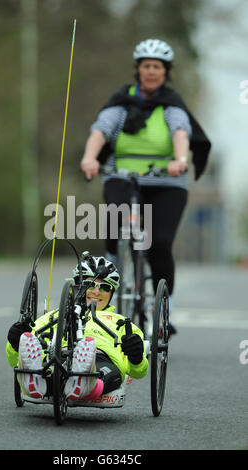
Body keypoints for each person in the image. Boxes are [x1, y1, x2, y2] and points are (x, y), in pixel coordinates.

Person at [80, 39, 211, 336]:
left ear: (166, 72)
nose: (151, 71)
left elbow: (180, 132)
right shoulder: (121, 102)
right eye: (146, 66)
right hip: (122, 174)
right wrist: (89, 157)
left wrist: (180, 159)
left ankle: (163, 310)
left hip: (166, 180)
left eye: (157, 67)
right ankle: (109, 281)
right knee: (114, 230)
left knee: (159, 242)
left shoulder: (171, 104)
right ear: (137, 69)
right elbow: (100, 130)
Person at [6, 256, 149, 401]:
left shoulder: (123, 323)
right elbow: (13, 360)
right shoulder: (52, 316)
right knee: (49, 367)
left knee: (105, 372)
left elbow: (139, 371)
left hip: (102, 358)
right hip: (57, 355)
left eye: (105, 287)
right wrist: (14, 343)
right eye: (90, 284)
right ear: (77, 286)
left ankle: (87, 383)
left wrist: (136, 357)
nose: (97, 292)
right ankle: (36, 381)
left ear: (112, 293)